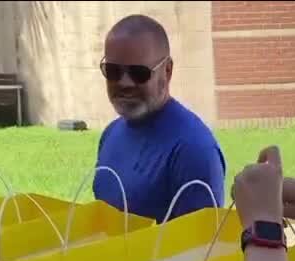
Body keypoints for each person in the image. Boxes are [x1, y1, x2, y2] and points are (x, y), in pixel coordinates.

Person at [92, 14, 226, 222]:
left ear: (167, 70)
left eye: (139, 73)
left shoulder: (194, 150)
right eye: (113, 71)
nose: (125, 83)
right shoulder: (110, 135)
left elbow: (201, 248)